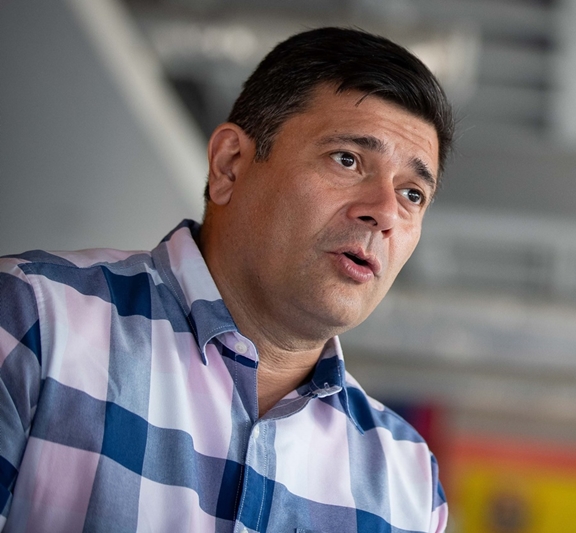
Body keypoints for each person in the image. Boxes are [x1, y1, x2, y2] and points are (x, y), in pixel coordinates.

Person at [0, 27, 454, 532]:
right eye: (347, 159)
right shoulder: (32, 322)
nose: (385, 212)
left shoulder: (408, 485)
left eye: (413, 194)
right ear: (230, 165)